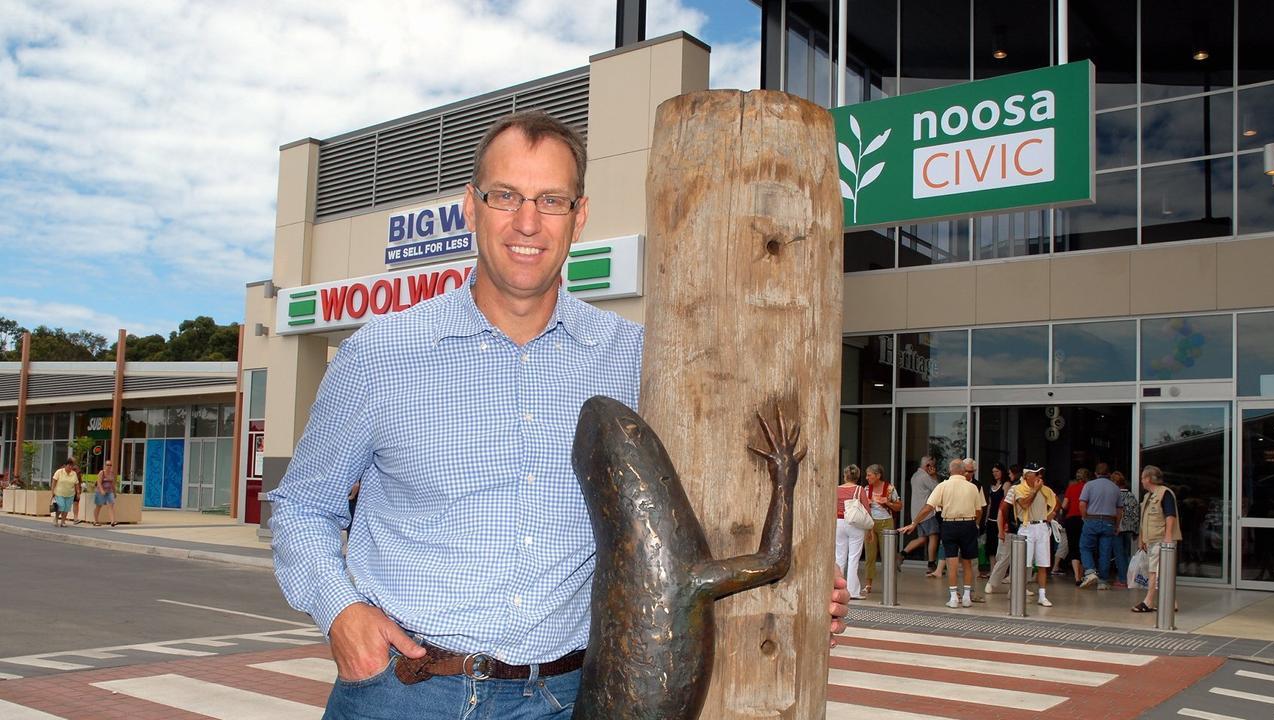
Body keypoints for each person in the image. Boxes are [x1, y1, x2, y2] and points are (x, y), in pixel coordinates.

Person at [267, 111, 849, 719]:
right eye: (505, 196)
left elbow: (715, 503)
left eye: (551, 199)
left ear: (580, 216)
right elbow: (303, 505)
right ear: (470, 207)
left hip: (568, 698)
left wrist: (804, 589)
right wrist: (341, 611)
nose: (527, 222)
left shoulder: (646, 364)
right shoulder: (381, 356)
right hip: (406, 691)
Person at [899, 459, 986, 608]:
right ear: (963, 471)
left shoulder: (943, 486)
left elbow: (928, 507)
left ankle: (953, 598)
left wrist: (914, 523)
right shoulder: (972, 487)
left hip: (949, 524)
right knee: (967, 563)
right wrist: (975, 524)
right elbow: (979, 510)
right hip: (968, 524)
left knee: (951, 563)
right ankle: (966, 597)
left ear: (950, 470)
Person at [1132, 465, 1182, 614]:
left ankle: (1148, 601)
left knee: (1155, 571)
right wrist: (1142, 538)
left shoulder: (1165, 493)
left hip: (1161, 540)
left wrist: (1167, 537)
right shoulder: (1148, 496)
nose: (1141, 481)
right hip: (1151, 540)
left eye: (1142, 478)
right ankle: (1171, 602)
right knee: (1158, 571)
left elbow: (1170, 516)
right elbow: (1144, 519)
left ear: (1148, 478)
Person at [1013, 462, 1058, 607]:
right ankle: (1019, 591)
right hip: (1027, 527)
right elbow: (1024, 504)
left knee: (1043, 563)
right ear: (1027, 475)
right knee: (1024, 563)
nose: (1039, 476)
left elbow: (1056, 501)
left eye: (1040, 473)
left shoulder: (1045, 490)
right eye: (1036, 473)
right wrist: (1035, 490)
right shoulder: (1019, 489)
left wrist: (1052, 513)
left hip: (1042, 526)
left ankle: (1042, 595)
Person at [1077, 462, 1123, 590]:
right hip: (1109, 521)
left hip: (1092, 519)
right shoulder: (1115, 488)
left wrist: (1084, 517)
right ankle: (1102, 581)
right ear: (1109, 474)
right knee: (1105, 552)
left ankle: (1090, 572)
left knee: (1085, 547)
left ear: (1096, 473)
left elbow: (1082, 504)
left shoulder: (1089, 485)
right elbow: (1119, 509)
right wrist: (1117, 525)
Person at [861, 463, 900, 596]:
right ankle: (868, 584)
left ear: (878, 475)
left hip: (886, 522)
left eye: (869, 475)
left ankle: (888, 583)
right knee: (870, 555)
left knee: (887, 555)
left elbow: (899, 506)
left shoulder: (889, 488)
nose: (867, 477)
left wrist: (887, 502)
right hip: (870, 523)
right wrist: (866, 504)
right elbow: (861, 506)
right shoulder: (866, 489)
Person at [900, 456, 941, 575]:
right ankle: (931, 563)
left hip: (917, 513)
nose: (934, 468)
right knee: (934, 536)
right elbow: (937, 489)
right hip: (927, 512)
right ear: (928, 466)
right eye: (932, 465)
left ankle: (902, 554)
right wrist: (934, 476)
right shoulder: (925, 477)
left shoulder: (915, 476)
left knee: (922, 538)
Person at [835, 465, 869, 599]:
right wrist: (869, 527)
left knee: (839, 557)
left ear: (845, 476)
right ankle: (853, 591)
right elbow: (866, 508)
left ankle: (837, 587)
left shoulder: (837, 489)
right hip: (855, 524)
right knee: (853, 558)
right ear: (858, 476)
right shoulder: (859, 489)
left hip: (839, 522)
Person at [1057, 467, 1087, 582]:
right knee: (1084, 547)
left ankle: (1076, 577)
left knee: (1073, 547)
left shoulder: (1071, 488)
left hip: (1071, 520)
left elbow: (1064, 506)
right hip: (1084, 519)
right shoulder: (1088, 487)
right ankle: (1084, 573)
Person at [982, 463, 1009, 577]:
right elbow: (990, 503)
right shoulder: (992, 486)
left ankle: (1001, 571)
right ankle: (993, 570)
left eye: (997, 471)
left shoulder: (1006, 484)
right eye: (993, 472)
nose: (995, 474)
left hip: (1001, 518)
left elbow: (1007, 503)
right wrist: (986, 518)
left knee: (1001, 546)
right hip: (991, 519)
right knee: (991, 546)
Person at [1113, 471, 1139, 588]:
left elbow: (1115, 512)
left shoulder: (1115, 496)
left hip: (1118, 528)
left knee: (1119, 555)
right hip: (1129, 529)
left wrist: (1116, 526)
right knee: (1127, 554)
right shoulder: (1131, 496)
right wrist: (1136, 529)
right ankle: (1131, 578)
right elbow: (1136, 513)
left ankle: (1123, 579)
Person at [51, 458, 79, 528]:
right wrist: (52, 491)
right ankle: (56, 518)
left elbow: (76, 484)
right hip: (59, 493)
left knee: (66, 508)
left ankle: (63, 521)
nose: (70, 467)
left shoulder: (74, 473)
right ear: (65, 465)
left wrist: (78, 493)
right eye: (69, 465)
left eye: (72, 466)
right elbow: (54, 481)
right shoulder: (59, 472)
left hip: (70, 494)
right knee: (61, 506)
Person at [94, 459, 118, 527]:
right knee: (99, 506)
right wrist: (101, 491)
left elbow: (113, 484)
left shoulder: (112, 473)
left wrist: (114, 492)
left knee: (111, 505)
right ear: (105, 466)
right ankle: (96, 521)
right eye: (107, 465)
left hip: (109, 491)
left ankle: (112, 521)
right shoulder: (102, 472)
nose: (109, 466)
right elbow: (99, 482)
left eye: (110, 465)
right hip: (100, 492)